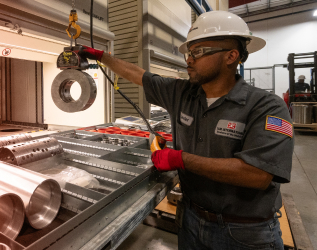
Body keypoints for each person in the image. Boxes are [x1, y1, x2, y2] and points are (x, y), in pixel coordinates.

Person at [82, 10, 293, 250]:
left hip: (245, 233)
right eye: (189, 53)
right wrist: (102, 57)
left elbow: (257, 174)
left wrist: (180, 159)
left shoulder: (268, 107)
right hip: (191, 221)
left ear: (231, 56)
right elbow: (141, 75)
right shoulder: (183, 93)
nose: (189, 60)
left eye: (198, 52)